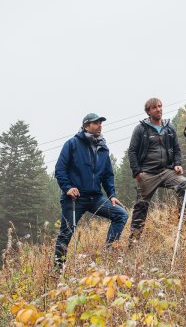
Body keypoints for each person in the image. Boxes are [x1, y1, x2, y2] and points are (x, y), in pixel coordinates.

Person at [53, 113, 128, 269]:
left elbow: (108, 174)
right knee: (65, 234)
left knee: (121, 214)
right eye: (96, 123)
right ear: (86, 126)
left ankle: (107, 255)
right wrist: (68, 188)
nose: (100, 125)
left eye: (101, 123)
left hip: (96, 198)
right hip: (75, 198)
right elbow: (60, 169)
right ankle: (57, 270)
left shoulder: (102, 147)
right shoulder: (72, 144)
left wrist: (112, 195)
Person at [125, 97, 186, 242]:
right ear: (148, 112)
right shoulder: (140, 129)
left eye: (160, 106)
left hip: (167, 171)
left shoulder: (169, 127)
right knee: (141, 206)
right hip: (147, 173)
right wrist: (137, 172)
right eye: (154, 107)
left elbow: (176, 149)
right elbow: (132, 151)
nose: (158, 109)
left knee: (183, 184)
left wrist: (177, 164)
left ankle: (184, 224)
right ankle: (134, 241)